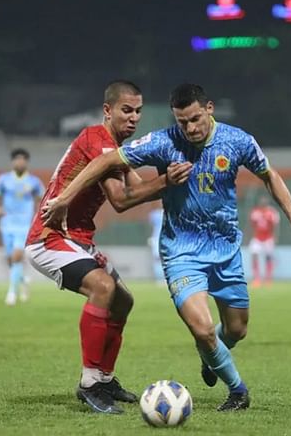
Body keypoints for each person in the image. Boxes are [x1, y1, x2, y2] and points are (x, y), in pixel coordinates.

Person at [43, 83, 291, 411]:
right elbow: (105, 162)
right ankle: (238, 390)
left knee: (236, 330)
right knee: (203, 329)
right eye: (183, 122)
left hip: (225, 249)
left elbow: (271, 176)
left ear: (209, 108)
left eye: (195, 119)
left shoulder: (237, 140)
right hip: (181, 251)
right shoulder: (164, 142)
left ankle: (210, 357)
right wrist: (65, 197)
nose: (190, 128)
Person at [24, 80, 192, 414]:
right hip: (49, 238)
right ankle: (89, 383)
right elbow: (120, 200)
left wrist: (167, 179)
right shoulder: (96, 140)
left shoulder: (116, 149)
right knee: (102, 287)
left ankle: (105, 378)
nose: (133, 118)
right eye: (126, 110)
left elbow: (138, 191)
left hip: (78, 240)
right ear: (107, 110)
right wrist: (166, 181)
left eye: (138, 111)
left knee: (123, 300)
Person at [0, 148, 44, 306]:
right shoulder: (3, 179)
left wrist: (39, 214)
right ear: (12, 162)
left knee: (16, 256)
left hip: (24, 225)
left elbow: (43, 197)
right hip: (7, 224)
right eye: (17, 159)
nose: (19, 162)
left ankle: (12, 293)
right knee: (10, 260)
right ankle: (23, 279)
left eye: (22, 159)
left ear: (26, 162)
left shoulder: (34, 182)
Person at [248, 195, 279, 287]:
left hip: (268, 238)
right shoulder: (255, 212)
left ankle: (268, 278)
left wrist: (275, 237)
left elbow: (275, 226)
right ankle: (256, 278)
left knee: (268, 257)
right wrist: (249, 236)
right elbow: (251, 225)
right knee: (254, 255)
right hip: (257, 238)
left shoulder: (272, 212)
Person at [148, 207, 165, 281]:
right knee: (161, 259)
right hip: (163, 238)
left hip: (157, 238)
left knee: (157, 259)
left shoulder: (155, 214)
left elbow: (150, 224)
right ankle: (161, 278)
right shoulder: (169, 212)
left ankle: (160, 278)